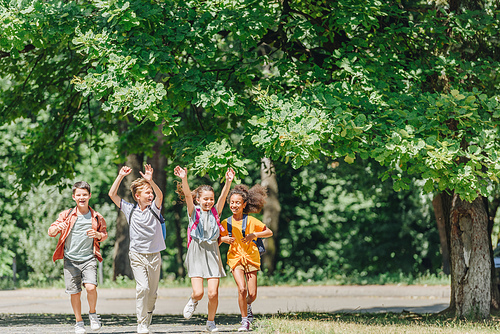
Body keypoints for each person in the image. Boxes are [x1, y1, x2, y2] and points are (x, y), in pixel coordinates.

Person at [174, 165, 235, 333]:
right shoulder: (193, 211)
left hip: (212, 252)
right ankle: (193, 301)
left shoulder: (216, 211)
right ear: (198, 200)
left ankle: (210, 322)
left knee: (213, 293)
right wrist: (184, 178)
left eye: (211, 199)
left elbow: (223, 196)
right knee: (199, 292)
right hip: (196, 251)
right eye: (205, 199)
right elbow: (187, 194)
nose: (208, 202)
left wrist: (228, 182)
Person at [108, 164, 166, 334]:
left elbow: (160, 195)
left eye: (151, 192)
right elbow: (112, 194)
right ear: (137, 196)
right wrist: (120, 176)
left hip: (154, 255)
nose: (151, 195)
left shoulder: (155, 208)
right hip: (136, 255)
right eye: (147, 193)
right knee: (143, 288)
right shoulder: (130, 209)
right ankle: (141, 323)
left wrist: (151, 181)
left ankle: (148, 314)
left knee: (152, 294)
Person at [48, 181, 108, 334]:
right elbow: (51, 231)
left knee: (90, 287)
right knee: (75, 292)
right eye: (79, 195)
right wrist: (57, 228)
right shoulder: (66, 215)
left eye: (85, 195)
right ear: (74, 197)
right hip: (70, 260)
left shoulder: (96, 217)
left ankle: (93, 314)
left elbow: (104, 235)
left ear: (90, 196)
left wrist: (98, 235)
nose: (82, 197)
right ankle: (79, 322)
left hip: (88, 258)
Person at [220, 184, 273, 332]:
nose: (234, 205)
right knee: (242, 289)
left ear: (244, 205)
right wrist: (223, 239)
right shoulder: (225, 222)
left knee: (253, 294)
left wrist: (254, 235)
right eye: (232, 202)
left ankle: (247, 305)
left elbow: (269, 232)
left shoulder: (252, 221)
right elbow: (217, 239)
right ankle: (244, 321)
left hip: (251, 257)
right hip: (235, 257)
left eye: (238, 202)